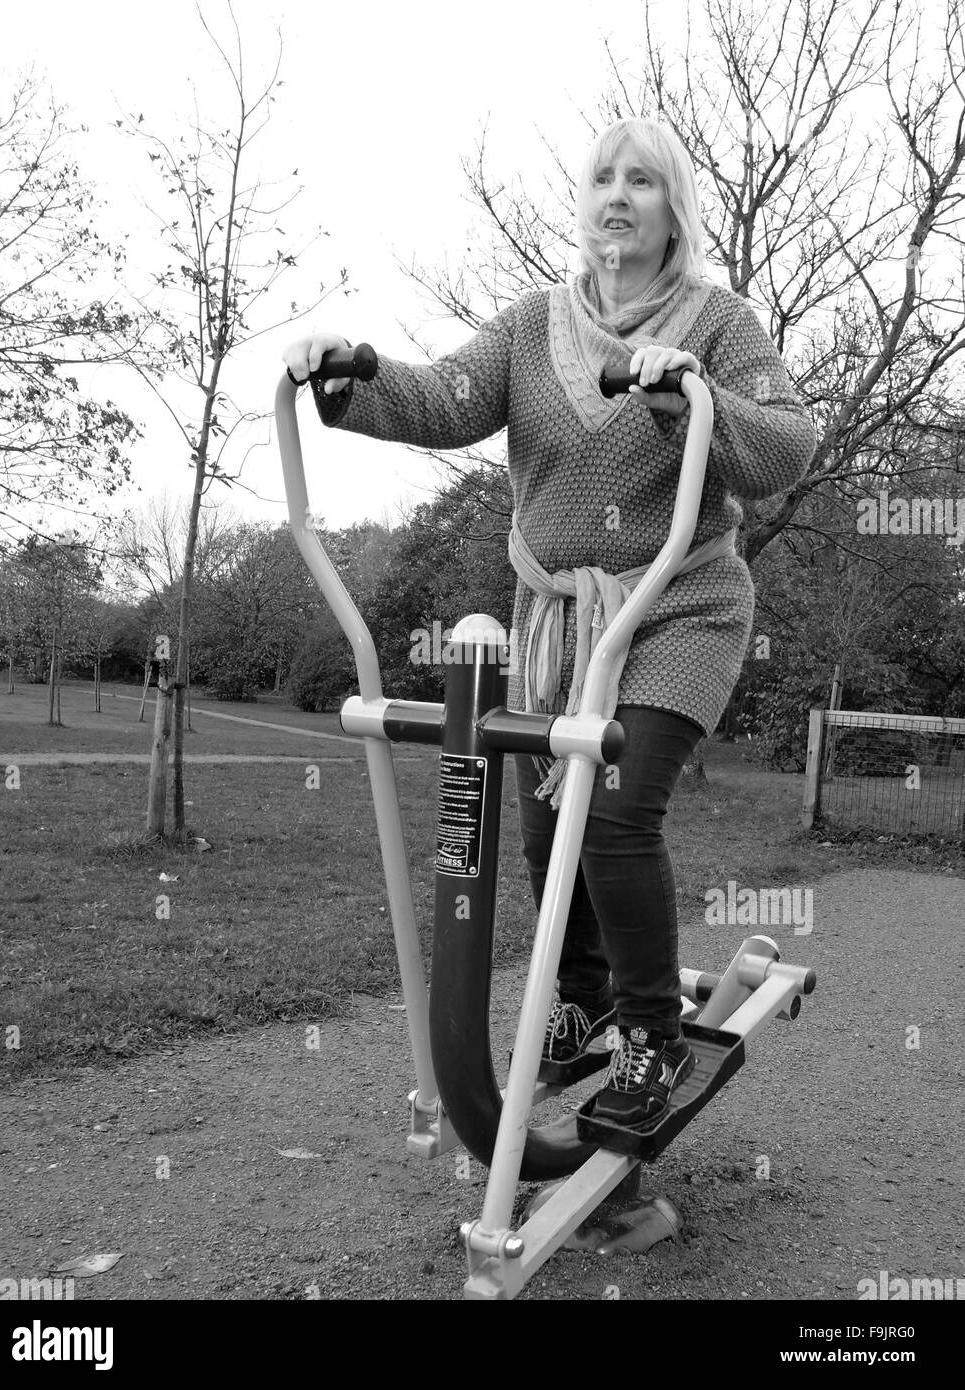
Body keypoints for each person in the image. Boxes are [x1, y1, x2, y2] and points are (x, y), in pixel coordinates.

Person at [283, 117, 816, 1130]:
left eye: (643, 182)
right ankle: (582, 1005)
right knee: (543, 827)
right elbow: (444, 399)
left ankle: (652, 1035)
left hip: (677, 607)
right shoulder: (533, 324)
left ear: (674, 212)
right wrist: (346, 369)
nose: (617, 196)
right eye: (602, 179)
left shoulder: (719, 323)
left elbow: (784, 445)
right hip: (557, 623)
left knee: (611, 812)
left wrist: (691, 396)